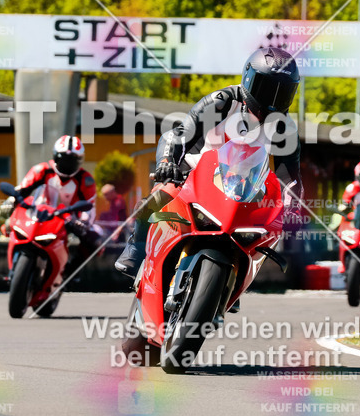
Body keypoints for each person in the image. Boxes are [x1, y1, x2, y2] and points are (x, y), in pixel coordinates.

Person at [115, 47, 302, 278]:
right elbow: (178, 135)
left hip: (243, 189)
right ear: (248, 79)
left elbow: (290, 177)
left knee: (268, 229)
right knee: (156, 197)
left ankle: (234, 276)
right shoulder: (222, 102)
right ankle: (136, 246)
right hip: (194, 173)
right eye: (266, 88)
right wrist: (167, 161)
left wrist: (292, 204)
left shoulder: (285, 128)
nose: (272, 102)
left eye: (281, 94)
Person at [13, 135, 100, 274]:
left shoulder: (86, 179)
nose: (68, 164)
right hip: (38, 214)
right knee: (8, 225)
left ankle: (71, 272)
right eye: (64, 159)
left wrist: (83, 222)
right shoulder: (41, 170)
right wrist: (11, 201)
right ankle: (13, 265)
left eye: (72, 161)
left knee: (95, 243)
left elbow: (89, 206)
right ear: (56, 157)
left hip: (69, 219)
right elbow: (22, 189)